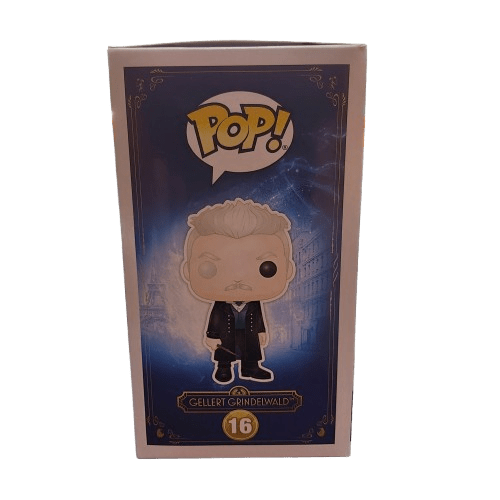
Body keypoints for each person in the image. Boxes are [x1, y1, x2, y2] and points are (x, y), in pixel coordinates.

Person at [181, 198, 295, 384]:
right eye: (209, 268)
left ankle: (250, 368)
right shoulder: (220, 305)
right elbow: (214, 319)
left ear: (288, 270)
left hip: (249, 331)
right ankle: (224, 368)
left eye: (266, 268)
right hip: (226, 332)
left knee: (251, 349)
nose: (238, 278)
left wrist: (261, 331)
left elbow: (258, 317)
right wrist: (211, 336)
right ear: (187, 271)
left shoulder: (254, 303)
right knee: (225, 352)